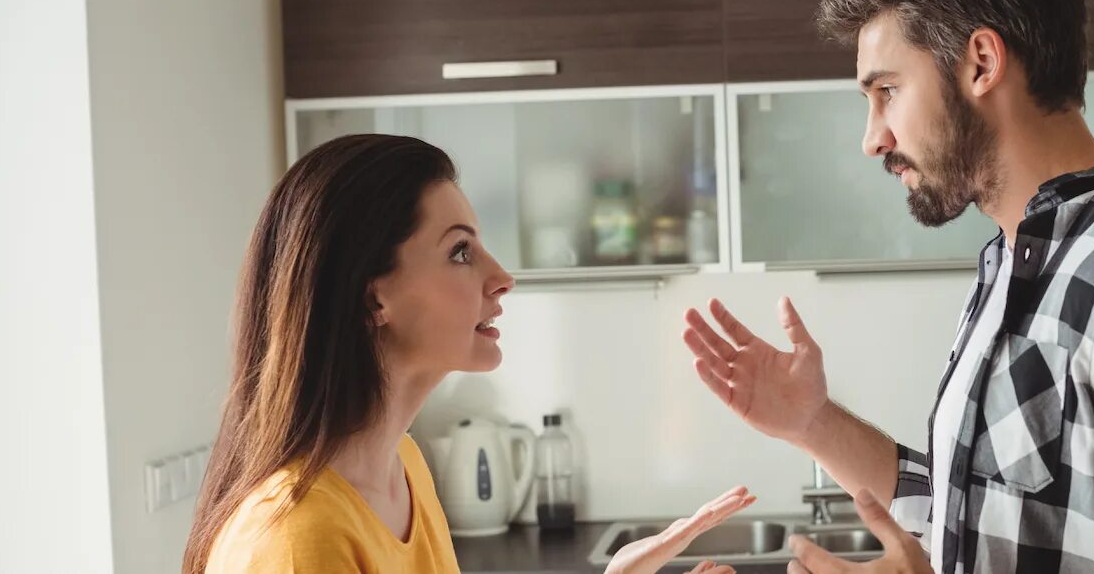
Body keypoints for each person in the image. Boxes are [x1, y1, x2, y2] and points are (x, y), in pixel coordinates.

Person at [682, 0, 1094, 573]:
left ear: (981, 62)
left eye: (886, 91)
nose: (872, 139)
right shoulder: (1011, 261)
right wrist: (811, 423)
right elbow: (974, 512)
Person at [183, 134, 753, 573]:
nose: (501, 277)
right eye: (460, 252)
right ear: (370, 296)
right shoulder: (295, 538)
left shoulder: (402, 469)